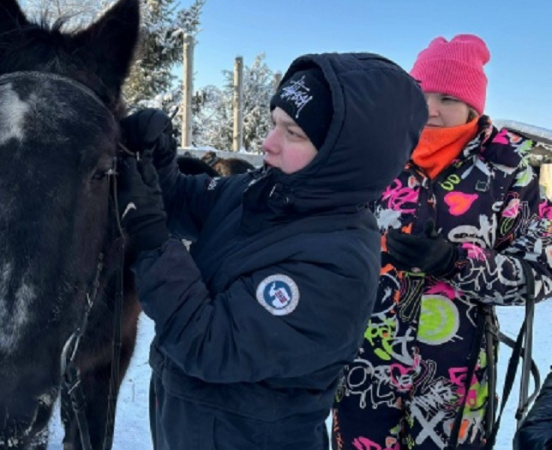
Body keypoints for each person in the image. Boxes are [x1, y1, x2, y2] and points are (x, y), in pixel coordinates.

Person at [115, 52, 428, 449]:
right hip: (187, 426)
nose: (268, 144)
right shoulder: (265, 191)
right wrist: (158, 161)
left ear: (346, 154)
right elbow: (181, 201)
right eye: (273, 123)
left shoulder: (339, 262)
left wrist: (152, 243)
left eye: (293, 133)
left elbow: (209, 343)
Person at [332, 34, 552, 450]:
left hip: (455, 379)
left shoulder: (507, 170)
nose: (431, 110)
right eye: (421, 93)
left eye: (448, 98)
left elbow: (541, 271)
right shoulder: (374, 154)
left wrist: (456, 262)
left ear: (473, 106)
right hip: (363, 367)